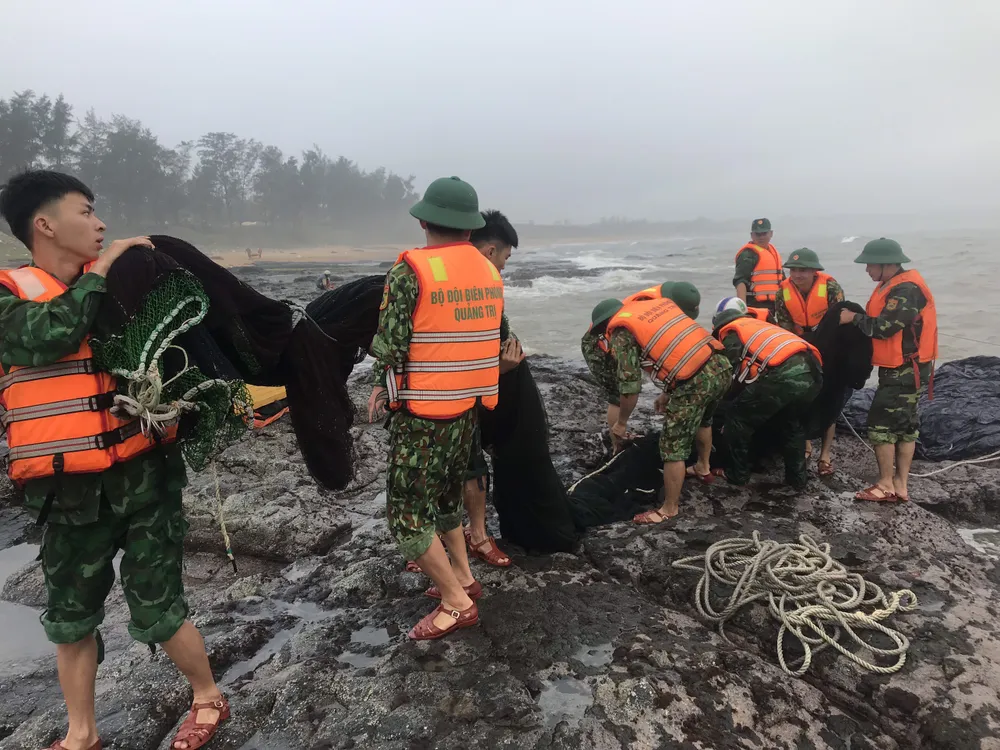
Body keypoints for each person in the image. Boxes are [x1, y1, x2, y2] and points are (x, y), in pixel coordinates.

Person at [0, 170, 228, 750]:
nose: (101, 225)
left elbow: (186, 350)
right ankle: (82, 733)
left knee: (159, 606)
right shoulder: (10, 295)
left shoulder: (124, 295)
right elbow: (48, 334)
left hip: (144, 476)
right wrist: (102, 271)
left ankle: (207, 698)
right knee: (70, 618)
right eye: (86, 212)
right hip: (65, 491)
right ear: (45, 224)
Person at [368, 176, 503, 640]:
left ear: (424, 220)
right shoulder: (489, 271)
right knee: (446, 496)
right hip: (468, 406)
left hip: (423, 412)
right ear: (470, 227)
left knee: (405, 516)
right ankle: (464, 576)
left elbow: (390, 346)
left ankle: (455, 600)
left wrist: (383, 390)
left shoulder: (410, 273)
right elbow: (497, 335)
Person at [589, 284, 731, 524]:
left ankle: (669, 509)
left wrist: (621, 423)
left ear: (605, 326)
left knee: (672, 445)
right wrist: (667, 392)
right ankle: (703, 467)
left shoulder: (621, 332)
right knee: (703, 419)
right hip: (720, 366)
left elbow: (630, 386)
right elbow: (676, 348)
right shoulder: (653, 308)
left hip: (695, 381)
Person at [839, 238, 937, 503]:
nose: (867, 270)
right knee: (906, 427)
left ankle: (885, 485)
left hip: (904, 371)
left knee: (881, 425)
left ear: (887, 264)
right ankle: (900, 486)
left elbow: (884, 327)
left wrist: (854, 318)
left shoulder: (905, 290)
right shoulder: (894, 285)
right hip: (911, 368)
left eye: (870, 265)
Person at [461, 209, 524, 567]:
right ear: (489, 251)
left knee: (469, 467)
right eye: (504, 258)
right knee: (457, 469)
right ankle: (449, 540)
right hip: (444, 399)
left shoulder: (481, 289)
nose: (504, 267)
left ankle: (473, 536)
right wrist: (500, 367)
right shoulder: (476, 289)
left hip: (443, 398)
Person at [712, 297, 823, 489]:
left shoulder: (731, 332)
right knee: (791, 424)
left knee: (737, 418)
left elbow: (727, 373)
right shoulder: (757, 324)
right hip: (814, 370)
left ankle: (736, 474)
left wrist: (718, 401)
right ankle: (797, 479)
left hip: (784, 373)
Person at [776, 248, 846, 476]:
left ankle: (825, 455)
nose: (797, 275)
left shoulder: (831, 287)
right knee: (802, 397)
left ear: (814, 271)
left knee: (830, 401)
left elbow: (840, 320)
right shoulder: (782, 292)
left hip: (829, 344)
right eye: (793, 269)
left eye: (803, 270)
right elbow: (784, 326)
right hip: (800, 345)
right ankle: (805, 444)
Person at [581, 281, 671, 446]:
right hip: (599, 347)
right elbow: (629, 382)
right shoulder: (608, 337)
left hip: (613, 336)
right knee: (617, 392)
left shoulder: (656, 306)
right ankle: (617, 444)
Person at [733, 218, 784, 315]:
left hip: (774, 307)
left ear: (771, 233)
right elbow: (740, 282)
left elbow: (783, 281)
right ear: (752, 235)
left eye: (764, 233)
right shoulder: (747, 255)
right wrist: (743, 311)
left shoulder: (773, 253)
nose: (761, 237)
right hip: (755, 306)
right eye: (757, 234)